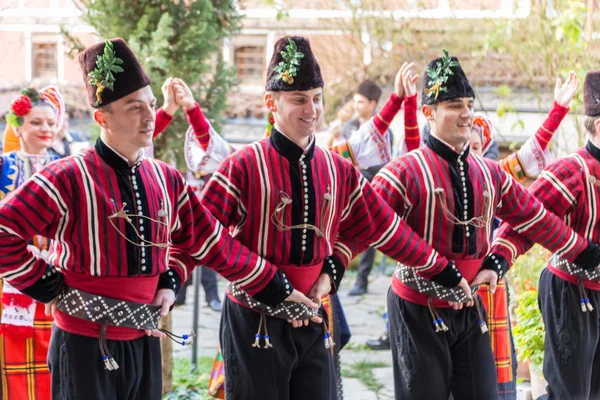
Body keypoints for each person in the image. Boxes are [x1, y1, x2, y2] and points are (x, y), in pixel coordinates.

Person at [0, 37, 314, 400]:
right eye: (134, 108)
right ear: (102, 116)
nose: (150, 117)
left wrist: (275, 286)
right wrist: (44, 283)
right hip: (83, 344)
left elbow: (211, 241)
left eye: (151, 105)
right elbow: (5, 231)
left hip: (145, 341)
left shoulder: (165, 178)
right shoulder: (67, 177)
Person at [199, 36, 467, 400]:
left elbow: (382, 226)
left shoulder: (338, 168)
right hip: (254, 319)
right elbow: (201, 233)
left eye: (317, 98)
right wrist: (265, 282)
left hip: (313, 314)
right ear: (270, 103)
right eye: (298, 100)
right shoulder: (242, 166)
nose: (311, 109)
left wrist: (437, 269)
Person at [366, 53, 600, 400]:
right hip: (417, 305)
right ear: (428, 112)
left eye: (468, 104)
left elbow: (533, 217)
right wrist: (332, 268)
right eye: (453, 105)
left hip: (470, 304)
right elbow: (366, 223)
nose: (466, 113)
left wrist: (498, 262)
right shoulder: (404, 171)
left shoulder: (488, 172)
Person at [488, 69, 600, 400]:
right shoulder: (572, 171)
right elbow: (524, 217)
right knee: (569, 394)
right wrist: (498, 259)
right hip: (571, 292)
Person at [0, 85, 64, 400]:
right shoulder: (3, 166)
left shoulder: (67, 167)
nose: (46, 129)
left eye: (51, 123)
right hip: (10, 277)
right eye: (36, 123)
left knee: (53, 361)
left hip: (55, 278)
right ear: (17, 126)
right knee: (10, 357)